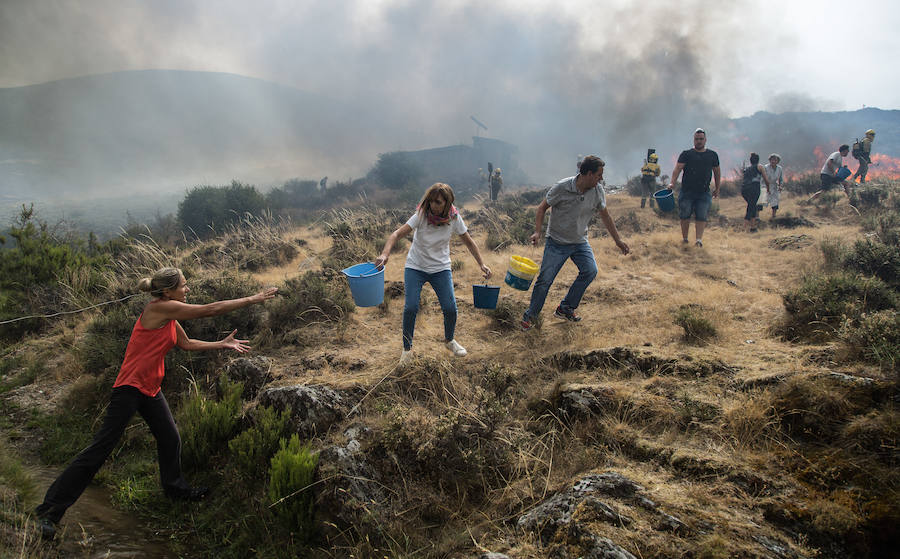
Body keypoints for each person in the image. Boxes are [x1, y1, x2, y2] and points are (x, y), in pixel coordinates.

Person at [35, 268, 278, 539]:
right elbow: (210, 310)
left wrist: (221, 344)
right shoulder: (157, 310)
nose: (188, 290)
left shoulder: (170, 317)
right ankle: (48, 512)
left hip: (150, 389)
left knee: (170, 438)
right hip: (129, 388)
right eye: (184, 286)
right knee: (99, 451)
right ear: (167, 291)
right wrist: (253, 299)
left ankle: (176, 491)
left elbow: (186, 344)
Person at [375, 183, 491, 363]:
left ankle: (449, 340)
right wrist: (385, 253)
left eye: (438, 202)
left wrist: (482, 264)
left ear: (447, 203)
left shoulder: (454, 218)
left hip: (440, 268)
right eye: (431, 201)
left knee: (450, 308)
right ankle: (407, 350)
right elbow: (396, 234)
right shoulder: (421, 214)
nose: (433, 206)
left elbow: (469, 242)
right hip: (416, 267)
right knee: (411, 307)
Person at [520, 156, 630, 331]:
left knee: (590, 271)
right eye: (598, 175)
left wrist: (618, 240)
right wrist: (537, 232)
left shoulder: (597, 191)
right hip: (556, 242)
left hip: (579, 241)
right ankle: (530, 317)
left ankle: (566, 308)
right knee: (544, 281)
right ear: (588, 173)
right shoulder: (562, 187)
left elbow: (606, 216)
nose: (601, 179)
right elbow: (542, 208)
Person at [667, 128, 721, 247]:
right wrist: (672, 183)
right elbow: (677, 169)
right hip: (687, 191)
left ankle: (698, 240)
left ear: (705, 140)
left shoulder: (712, 155)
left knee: (701, 215)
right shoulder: (686, 154)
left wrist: (717, 188)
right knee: (685, 214)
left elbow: (717, 172)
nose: (699, 141)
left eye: (701, 139)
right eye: (697, 139)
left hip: (704, 192)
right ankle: (685, 239)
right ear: (693, 140)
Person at [741, 153, 772, 233]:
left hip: (744, 189)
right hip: (753, 189)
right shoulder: (760, 167)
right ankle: (744, 228)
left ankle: (753, 227)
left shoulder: (747, 168)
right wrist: (768, 188)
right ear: (758, 160)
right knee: (751, 207)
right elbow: (766, 179)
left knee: (753, 206)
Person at [763, 154, 784, 219]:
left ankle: (773, 216)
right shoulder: (765, 167)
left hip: (774, 186)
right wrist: (767, 187)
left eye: (775, 160)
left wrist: (780, 186)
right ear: (769, 160)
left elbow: (781, 179)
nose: (773, 161)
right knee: (762, 200)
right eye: (772, 160)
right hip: (765, 185)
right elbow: (762, 178)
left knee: (775, 201)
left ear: (777, 161)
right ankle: (757, 216)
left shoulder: (779, 168)